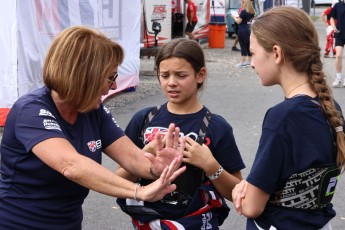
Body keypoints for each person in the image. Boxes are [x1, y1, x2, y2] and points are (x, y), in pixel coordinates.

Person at [0, 26, 187, 230]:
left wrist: (156, 168)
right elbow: (71, 166)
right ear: (84, 75)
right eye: (111, 77)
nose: (114, 87)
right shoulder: (31, 110)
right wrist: (138, 191)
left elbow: (132, 158)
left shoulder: (91, 110)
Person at [232, 6, 345, 229]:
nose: (252, 63)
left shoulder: (282, 118)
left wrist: (239, 188)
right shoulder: (331, 106)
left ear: (276, 53)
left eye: (254, 53)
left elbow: (252, 207)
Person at [116, 38, 245, 229]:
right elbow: (117, 182)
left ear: (200, 75)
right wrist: (144, 158)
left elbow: (236, 192)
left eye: (181, 75)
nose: (171, 83)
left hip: (198, 222)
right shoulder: (143, 120)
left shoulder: (217, 127)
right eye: (165, 75)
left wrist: (211, 166)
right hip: (147, 222)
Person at [232, 0, 255, 68]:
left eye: (243, 3)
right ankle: (249, 61)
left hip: (242, 30)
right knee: (248, 45)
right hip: (249, 29)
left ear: (246, 4)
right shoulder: (252, 12)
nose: (242, 4)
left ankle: (243, 62)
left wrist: (234, 17)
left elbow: (238, 21)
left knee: (243, 46)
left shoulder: (243, 12)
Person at [330, 0, 345, 87]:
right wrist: (333, 26)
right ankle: (338, 78)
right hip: (339, 33)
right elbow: (332, 17)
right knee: (338, 55)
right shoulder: (337, 5)